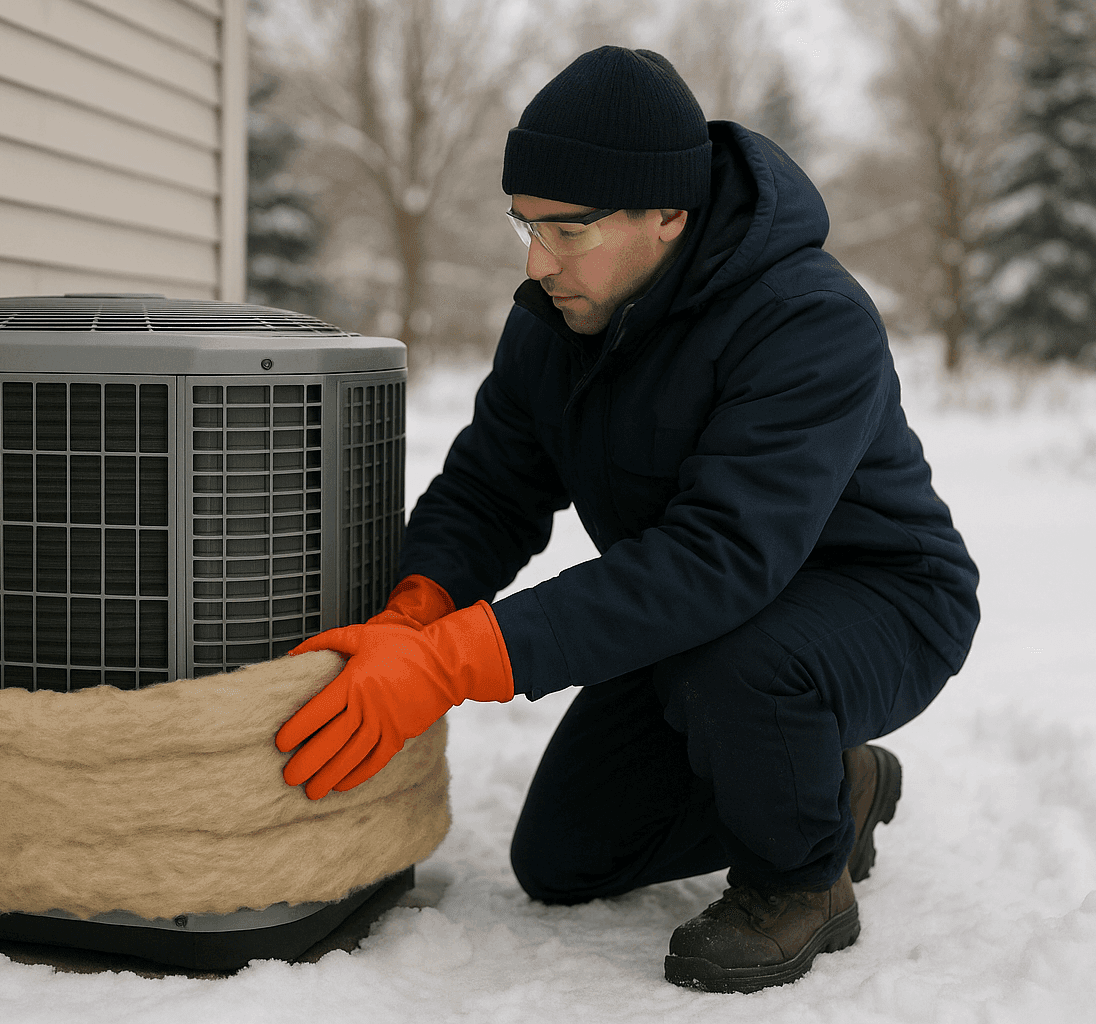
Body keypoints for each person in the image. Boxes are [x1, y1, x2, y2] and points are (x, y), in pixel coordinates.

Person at [276, 46, 980, 994]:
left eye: (567, 230)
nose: (538, 260)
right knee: (566, 859)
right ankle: (833, 782)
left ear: (668, 215)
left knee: (738, 673)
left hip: (878, 601)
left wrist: (452, 662)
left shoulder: (808, 319)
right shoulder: (555, 318)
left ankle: (803, 879)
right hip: (703, 622)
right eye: (524, 225)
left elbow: (720, 557)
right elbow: (493, 488)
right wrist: (415, 609)